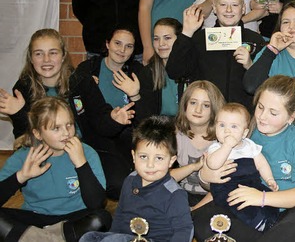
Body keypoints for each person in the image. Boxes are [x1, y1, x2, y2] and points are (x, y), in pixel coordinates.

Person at [0, 29, 134, 200]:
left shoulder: (80, 80)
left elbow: (100, 119)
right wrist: (18, 114)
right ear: (31, 58)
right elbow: (25, 137)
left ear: (63, 56)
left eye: (53, 53)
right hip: (48, 151)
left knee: (119, 184)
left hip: (87, 146)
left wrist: (113, 119)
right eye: (39, 54)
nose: (46, 60)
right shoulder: (24, 87)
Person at [193, 75, 295, 242]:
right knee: (204, 218)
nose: (262, 116)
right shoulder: (242, 133)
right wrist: (205, 178)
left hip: (285, 217)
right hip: (246, 213)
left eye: (273, 112)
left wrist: (261, 197)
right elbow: (221, 186)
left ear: (291, 116)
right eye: (260, 107)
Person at [0, 97, 110, 242]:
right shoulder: (24, 157)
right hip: (35, 218)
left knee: (102, 219)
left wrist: (81, 164)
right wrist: (21, 176)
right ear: (38, 133)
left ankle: (35, 238)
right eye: (56, 128)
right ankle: (52, 238)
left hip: (73, 218)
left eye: (69, 125)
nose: (66, 133)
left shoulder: (86, 153)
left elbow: (97, 204)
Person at [80, 116, 194, 242]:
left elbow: (184, 230)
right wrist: (111, 235)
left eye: (159, 158)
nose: (150, 165)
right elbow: (120, 215)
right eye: (144, 156)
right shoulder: (130, 179)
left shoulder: (174, 194)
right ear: (134, 156)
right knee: (88, 238)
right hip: (124, 238)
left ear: (171, 161)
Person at [166, 0, 266, 110]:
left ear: (243, 9)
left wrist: (250, 66)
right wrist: (186, 33)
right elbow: (174, 72)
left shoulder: (255, 40)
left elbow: (266, 86)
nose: (229, 10)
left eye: (235, 5)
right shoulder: (199, 39)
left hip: (242, 117)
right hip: (207, 117)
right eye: (223, 5)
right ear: (214, 8)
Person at [202, 103, 279, 231]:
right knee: (239, 204)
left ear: (244, 133)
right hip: (227, 187)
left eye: (233, 126)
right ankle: (257, 223)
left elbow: (261, 163)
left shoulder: (249, 145)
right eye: (222, 125)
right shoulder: (216, 147)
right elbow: (213, 164)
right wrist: (226, 146)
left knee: (269, 197)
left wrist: (269, 179)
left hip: (252, 183)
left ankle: (271, 219)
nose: (227, 130)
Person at [243, 1, 295, 112]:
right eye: (285, 22)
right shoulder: (270, 52)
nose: (291, 26)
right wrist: (272, 49)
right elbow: (251, 86)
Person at [170, 80, 225, 208]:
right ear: (185, 105)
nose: (198, 110)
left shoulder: (222, 141)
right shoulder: (175, 136)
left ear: (214, 110)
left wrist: (194, 209)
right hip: (181, 194)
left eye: (206, 105)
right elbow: (162, 178)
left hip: (212, 199)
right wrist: (193, 167)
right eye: (193, 102)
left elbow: (224, 189)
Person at [136, 18, 185, 118]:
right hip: (160, 129)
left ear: (180, 40)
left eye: (167, 38)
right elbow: (144, 120)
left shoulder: (192, 69)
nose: (161, 44)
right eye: (156, 39)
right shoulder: (148, 73)